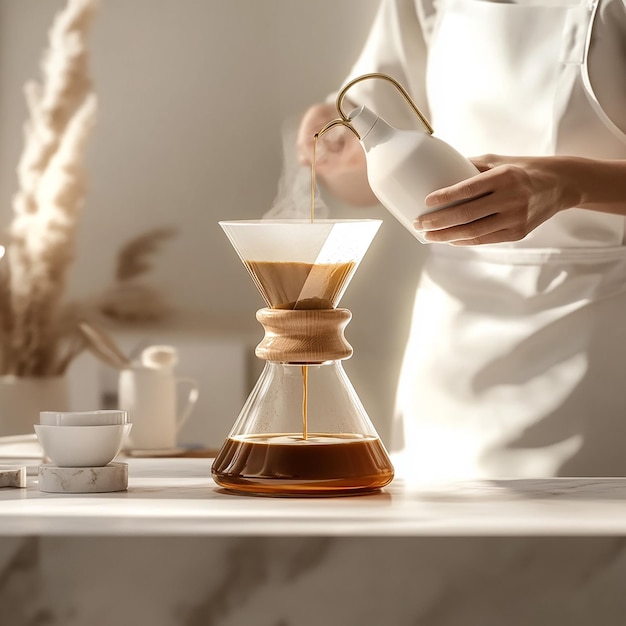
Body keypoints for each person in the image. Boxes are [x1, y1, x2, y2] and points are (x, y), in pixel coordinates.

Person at [297, 0, 626, 478]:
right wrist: (341, 156)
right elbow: (370, 182)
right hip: (452, 344)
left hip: (604, 332)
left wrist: (568, 184)